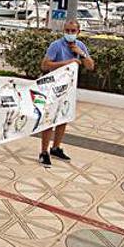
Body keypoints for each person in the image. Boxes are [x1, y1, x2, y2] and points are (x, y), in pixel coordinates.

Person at [38, 19, 95, 166]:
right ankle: (44, 152)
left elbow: (90, 66)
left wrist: (81, 53)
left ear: (78, 32)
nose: (70, 33)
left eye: (73, 31)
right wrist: (66, 63)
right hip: (53, 87)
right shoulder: (56, 46)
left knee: (63, 118)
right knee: (49, 120)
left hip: (68, 89)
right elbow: (45, 65)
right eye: (67, 31)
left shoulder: (80, 46)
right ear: (64, 31)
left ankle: (56, 147)